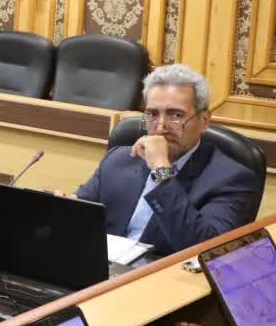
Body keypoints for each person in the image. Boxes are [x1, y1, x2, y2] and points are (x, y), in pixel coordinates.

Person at [76, 64, 256, 254]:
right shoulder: (119, 159)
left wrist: (161, 171)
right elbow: (82, 213)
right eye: (153, 114)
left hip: (165, 270)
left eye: (176, 115)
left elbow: (206, 249)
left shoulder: (232, 179)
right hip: (104, 265)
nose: (161, 126)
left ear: (204, 121)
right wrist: (62, 207)